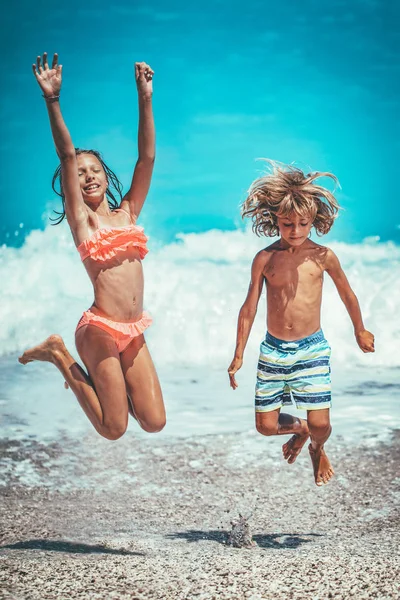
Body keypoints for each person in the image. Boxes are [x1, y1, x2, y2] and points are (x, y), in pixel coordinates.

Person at [19, 52, 166, 440]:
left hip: (132, 329)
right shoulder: (83, 221)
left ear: (106, 175)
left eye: (95, 170)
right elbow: (66, 154)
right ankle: (59, 353)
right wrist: (53, 100)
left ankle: (105, 382)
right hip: (98, 329)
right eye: (81, 173)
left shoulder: (128, 213)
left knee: (154, 422)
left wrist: (145, 96)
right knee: (113, 427)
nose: (88, 177)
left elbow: (147, 158)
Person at [228, 161, 374, 485]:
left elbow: (348, 294)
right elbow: (249, 307)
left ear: (314, 221)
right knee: (265, 426)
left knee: (323, 424)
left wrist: (359, 329)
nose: (295, 230)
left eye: (302, 223)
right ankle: (300, 428)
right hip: (274, 350)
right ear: (274, 219)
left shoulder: (323, 256)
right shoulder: (265, 259)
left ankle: (316, 445)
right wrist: (239, 353)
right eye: (286, 223)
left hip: (311, 349)